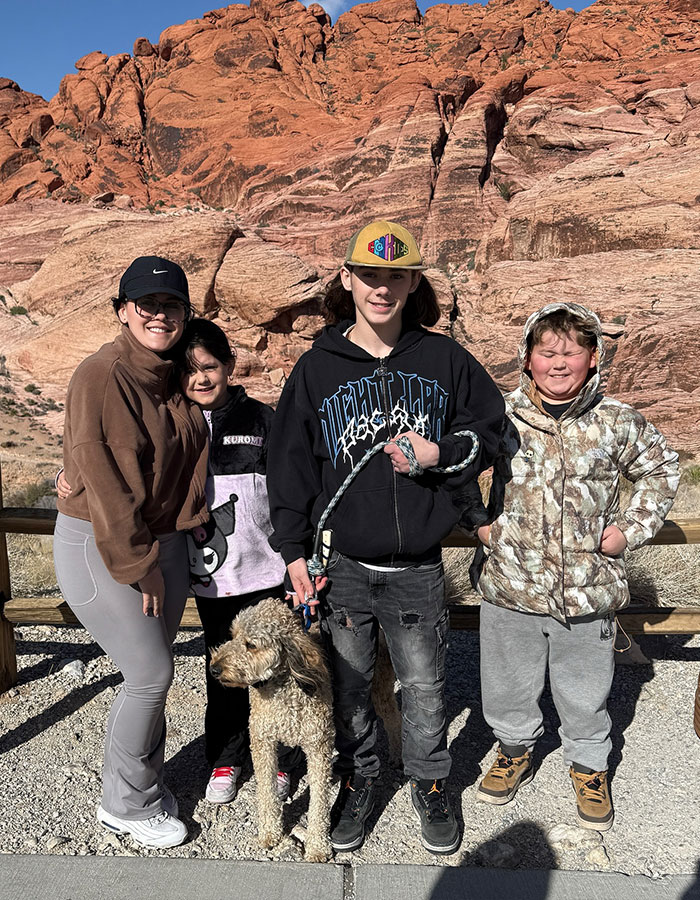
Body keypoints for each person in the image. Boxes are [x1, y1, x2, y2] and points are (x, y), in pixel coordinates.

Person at [266, 220, 505, 855]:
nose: (381, 288)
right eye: (368, 275)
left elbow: (495, 432)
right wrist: (293, 553)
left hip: (420, 567)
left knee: (424, 685)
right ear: (347, 279)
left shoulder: (444, 359)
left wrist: (440, 451)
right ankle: (364, 776)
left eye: (394, 276)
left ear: (411, 282)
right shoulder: (317, 369)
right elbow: (288, 467)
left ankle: (429, 782)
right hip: (343, 565)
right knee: (348, 684)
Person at [464, 302, 679, 831]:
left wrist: (629, 529)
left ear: (592, 357)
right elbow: (457, 465)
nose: (559, 363)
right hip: (511, 584)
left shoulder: (617, 422)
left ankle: (588, 763)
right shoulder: (499, 417)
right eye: (547, 352)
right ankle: (513, 749)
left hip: (588, 589)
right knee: (507, 682)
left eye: (572, 351)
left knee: (585, 686)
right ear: (527, 358)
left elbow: (662, 468)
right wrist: (479, 522)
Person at [53, 257, 209, 849]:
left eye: (170, 305)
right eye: (146, 304)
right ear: (123, 311)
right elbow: (108, 488)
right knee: (150, 673)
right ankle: (127, 804)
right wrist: (141, 568)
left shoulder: (174, 374)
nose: (158, 315)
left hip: (165, 541)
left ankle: (141, 777)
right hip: (107, 546)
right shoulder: (103, 374)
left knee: (152, 673)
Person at [174, 318, 302, 805]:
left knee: (277, 670)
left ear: (228, 366)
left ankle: (284, 760)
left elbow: (290, 494)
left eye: (210, 367)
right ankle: (227, 757)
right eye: (190, 371)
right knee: (224, 671)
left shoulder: (262, 421)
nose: (201, 379)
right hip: (211, 579)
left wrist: (296, 558)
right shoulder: (177, 423)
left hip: (266, 571)